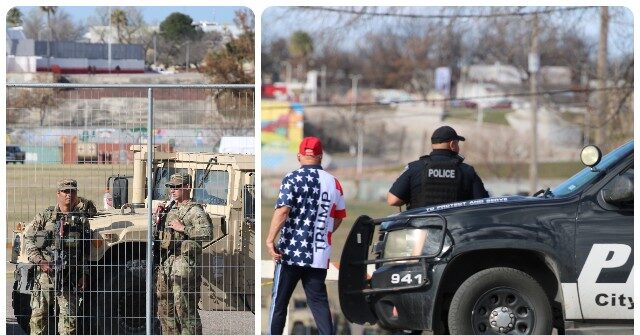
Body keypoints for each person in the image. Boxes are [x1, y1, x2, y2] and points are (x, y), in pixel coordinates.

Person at [266, 137, 347, 335]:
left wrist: (270, 240)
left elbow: (282, 211)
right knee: (319, 304)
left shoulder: (291, 178)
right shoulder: (334, 183)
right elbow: (338, 218)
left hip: (290, 254)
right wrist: (321, 232)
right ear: (321, 157)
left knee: (279, 303)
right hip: (318, 254)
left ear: (299, 155)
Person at [23, 179, 97, 335]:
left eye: (73, 191)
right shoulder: (45, 216)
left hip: (70, 275)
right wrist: (39, 261)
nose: (69, 195)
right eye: (65, 191)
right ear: (58, 194)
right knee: (38, 317)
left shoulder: (82, 220)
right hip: (45, 274)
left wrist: (84, 273)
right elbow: (28, 238)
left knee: (69, 322)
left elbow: (85, 251)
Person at [156, 173, 213, 335]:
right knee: (165, 309)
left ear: (187, 187)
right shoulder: (171, 208)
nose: (172, 190)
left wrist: (184, 229)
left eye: (176, 187)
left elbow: (207, 233)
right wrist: (159, 217)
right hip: (167, 264)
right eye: (170, 187)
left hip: (184, 268)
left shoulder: (194, 210)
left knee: (185, 310)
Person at [388, 125, 489, 209]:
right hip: (455, 230)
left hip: (421, 230)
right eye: (457, 144)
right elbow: (482, 204)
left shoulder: (415, 168)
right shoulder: (467, 171)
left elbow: (393, 200)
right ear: (452, 144)